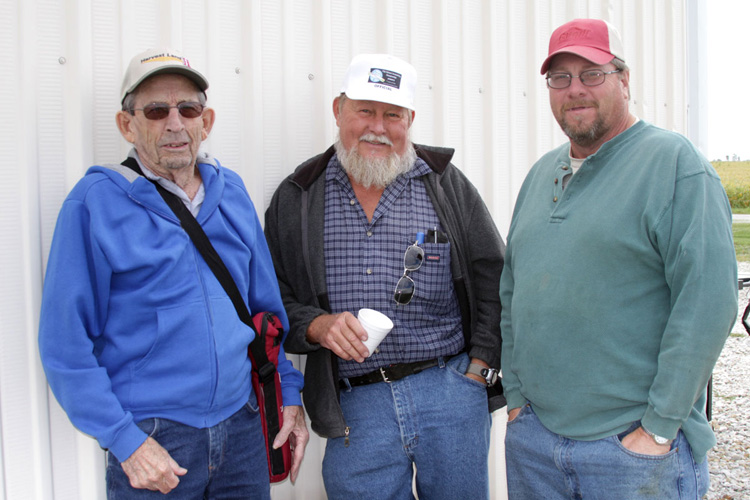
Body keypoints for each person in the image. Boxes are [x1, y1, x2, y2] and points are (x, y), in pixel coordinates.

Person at [38, 48, 308, 498]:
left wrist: (289, 396)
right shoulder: (94, 203)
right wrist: (126, 442)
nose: (175, 123)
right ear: (128, 124)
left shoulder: (233, 194)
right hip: (156, 437)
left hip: (242, 427)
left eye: (188, 109)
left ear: (207, 120)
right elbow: (64, 345)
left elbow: (267, 314)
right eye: (157, 110)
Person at [500, 18, 738, 500]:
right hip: (537, 443)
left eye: (592, 73)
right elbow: (512, 291)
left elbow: (707, 303)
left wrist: (658, 429)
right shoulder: (542, 173)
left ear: (624, 79)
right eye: (560, 78)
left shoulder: (673, 165)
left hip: (628, 453)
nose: (575, 90)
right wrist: (516, 398)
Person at [264, 53, 505, 499]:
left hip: (449, 391)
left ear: (410, 119)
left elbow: (494, 278)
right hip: (355, 404)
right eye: (365, 111)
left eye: (392, 115)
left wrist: (480, 370)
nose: (378, 126)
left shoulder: (445, 184)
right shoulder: (298, 197)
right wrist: (317, 326)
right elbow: (273, 301)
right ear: (339, 110)